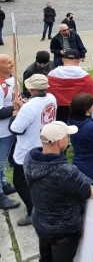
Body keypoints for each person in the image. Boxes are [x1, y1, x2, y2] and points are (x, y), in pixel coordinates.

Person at [24, 121, 93, 262]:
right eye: (67, 137)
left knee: (45, 257)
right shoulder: (65, 171)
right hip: (63, 230)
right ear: (60, 142)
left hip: (40, 221)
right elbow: (91, 191)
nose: (68, 139)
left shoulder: (29, 159)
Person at [9, 74, 58, 223]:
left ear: (30, 88)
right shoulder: (51, 98)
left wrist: (16, 113)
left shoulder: (29, 107)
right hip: (44, 144)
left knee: (20, 182)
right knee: (40, 179)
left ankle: (33, 211)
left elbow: (16, 129)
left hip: (28, 150)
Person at [47, 49, 93, 123]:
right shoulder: (85, 76)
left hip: (58, 109)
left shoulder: (52, 75)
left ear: (63, 59)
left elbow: (46, 92)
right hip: (78, 110)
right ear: (79, 61)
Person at [0, 54, 19, 207]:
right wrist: (15, 108)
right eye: (8, 63)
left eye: (12, 61)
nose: (12, 64)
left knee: (4, 160)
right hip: (1, 132)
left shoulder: (14, 78)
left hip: (11, 128)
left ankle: (4, 184)